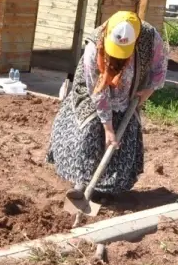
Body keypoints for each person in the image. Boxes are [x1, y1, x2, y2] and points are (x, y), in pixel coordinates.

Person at [46, 10, 168, 199]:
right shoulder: (94, 46)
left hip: (128, 92)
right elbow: (98, 91)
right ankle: (82, 183)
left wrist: (147, 92)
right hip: (94, 91)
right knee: (89, 129)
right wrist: (107, 127)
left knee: (124, 138)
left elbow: (159, 69)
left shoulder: (151, 39)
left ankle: (109, 190)